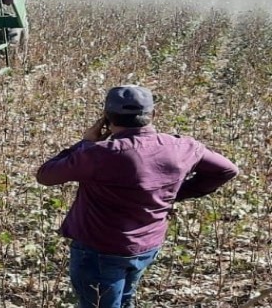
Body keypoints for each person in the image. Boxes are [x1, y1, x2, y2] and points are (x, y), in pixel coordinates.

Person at [36, 85, 239, 308]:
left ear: (106, 117)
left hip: (100, 250)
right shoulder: (182, 147)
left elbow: (46, 175)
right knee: (125, 300)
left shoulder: (99, 153)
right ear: (153, 115)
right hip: (146, 246)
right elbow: (226, 170)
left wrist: (85, 143)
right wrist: (175, 193)